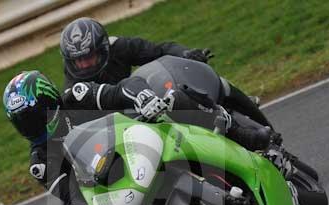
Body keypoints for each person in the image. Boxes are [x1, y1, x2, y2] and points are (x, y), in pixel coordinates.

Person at [3, 70, 277, 205]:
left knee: (174, 100)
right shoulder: (41, 161)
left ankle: (243, 135)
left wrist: (141, 96)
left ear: (50, 101)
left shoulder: (77, 97)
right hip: (122, 185)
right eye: (24, 124)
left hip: (143, 138)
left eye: (36, 117)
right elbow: (71, 199)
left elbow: (119, 89)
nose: (34, 127)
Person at [59, 17, 272, 128]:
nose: (85, 64)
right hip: (124, 125)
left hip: (149, 99)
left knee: (201, 89)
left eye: (89, 57)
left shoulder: (119, 47)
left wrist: (186, 54)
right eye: (79, 61)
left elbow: (160, 49)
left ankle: (247, 114)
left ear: (103, 48)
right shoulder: (71, 89)